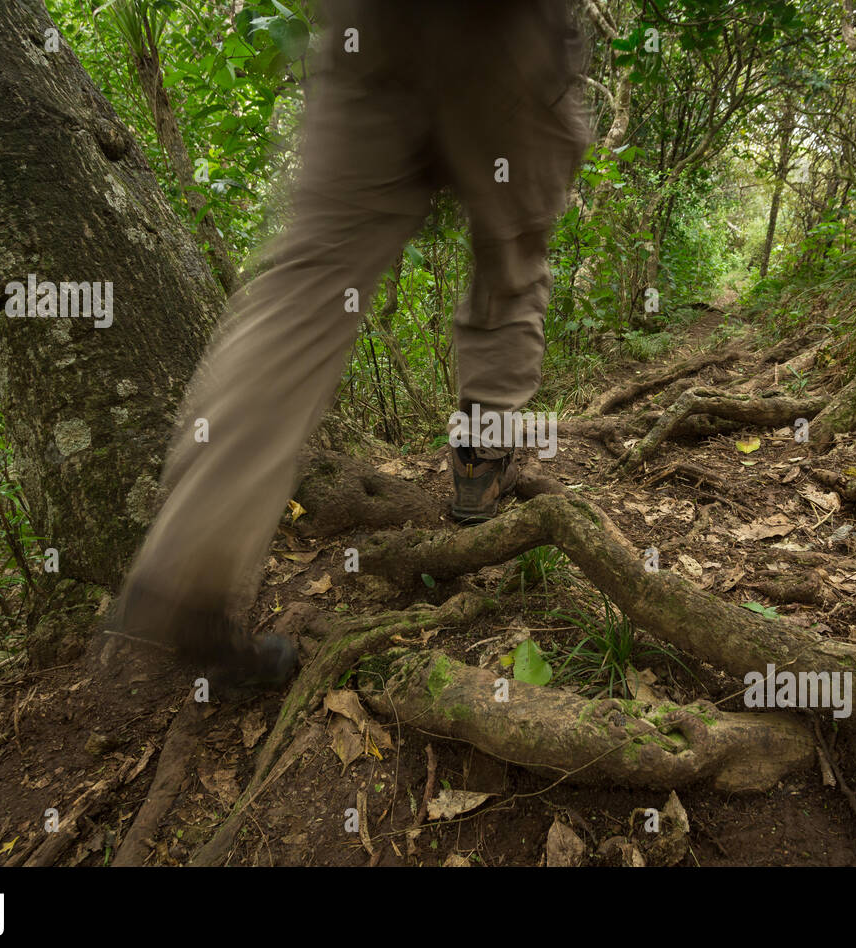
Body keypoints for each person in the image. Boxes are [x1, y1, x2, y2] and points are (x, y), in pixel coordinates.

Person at [112, 0, 590, 687]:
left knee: (311, 279)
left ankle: (189, 566)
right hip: (505, 32)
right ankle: (480, 468)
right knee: (512, 263)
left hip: (372, 26)